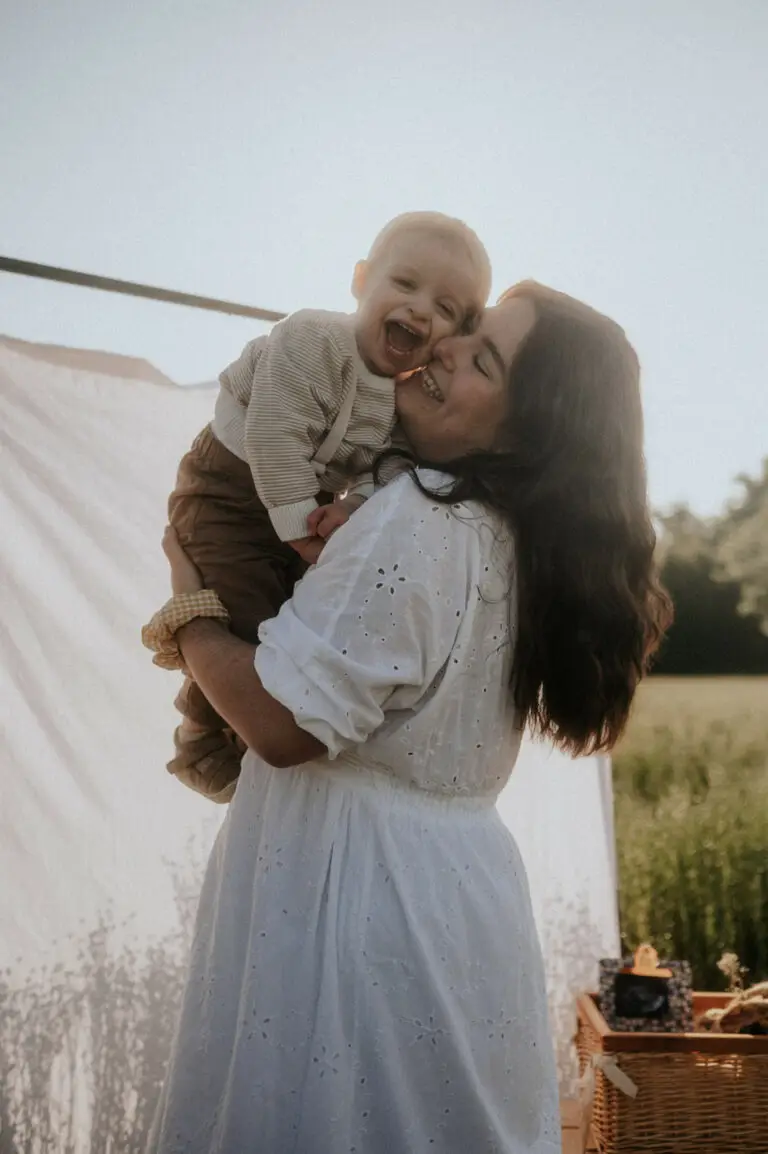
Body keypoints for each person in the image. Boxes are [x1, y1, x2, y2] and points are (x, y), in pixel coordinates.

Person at [143, 281, 672, 1153]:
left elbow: (281, 727)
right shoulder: (514, 539)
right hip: (451, 894)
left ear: (526, 429)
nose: (450, 347)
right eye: (470, 331)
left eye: (485, 356)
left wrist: (189, 606)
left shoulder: (425, 516)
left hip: (353, 894)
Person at [158, 211, 491, 803]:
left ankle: (227, 734)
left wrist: (354, 504)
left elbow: (389, 464)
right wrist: (297, 528)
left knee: (280, 626)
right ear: (362, 279)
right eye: (405, 284)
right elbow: (274, 435)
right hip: (228, 488)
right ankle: (201, 741)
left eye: (444, 308)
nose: (419, 310)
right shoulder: (312, 339)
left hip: (299, 504)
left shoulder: (405, 393)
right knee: (240, 610)